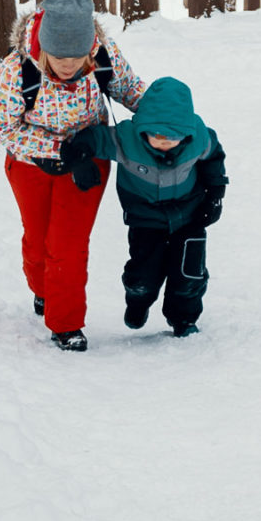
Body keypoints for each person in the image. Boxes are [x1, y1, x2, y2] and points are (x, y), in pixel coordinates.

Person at [0, 0, 145, 351]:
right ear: (44, 50)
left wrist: (167, 116)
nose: (71, 66)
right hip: (29, 163)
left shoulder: (102, 53)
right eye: (61, 59)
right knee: (38, 240)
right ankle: (43, 291)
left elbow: (130, 89)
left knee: (68, 245)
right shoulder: (16, 70)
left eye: (79, 59)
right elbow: (1, 125)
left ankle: (65, 322)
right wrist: (56, 149)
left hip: (87, 159)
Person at [64, 77, 227, 337]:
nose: (163, 142)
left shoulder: (198, 137)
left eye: (171, 138)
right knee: (143, 276)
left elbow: (214, 158)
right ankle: (138, 302)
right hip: (145, 218)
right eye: (156, 136)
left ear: (185, 132)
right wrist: (80, 159)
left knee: (190, 274)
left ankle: (183, 320)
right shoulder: (127, 139)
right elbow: (90, 138)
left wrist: (216, 194)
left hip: (190, 215)